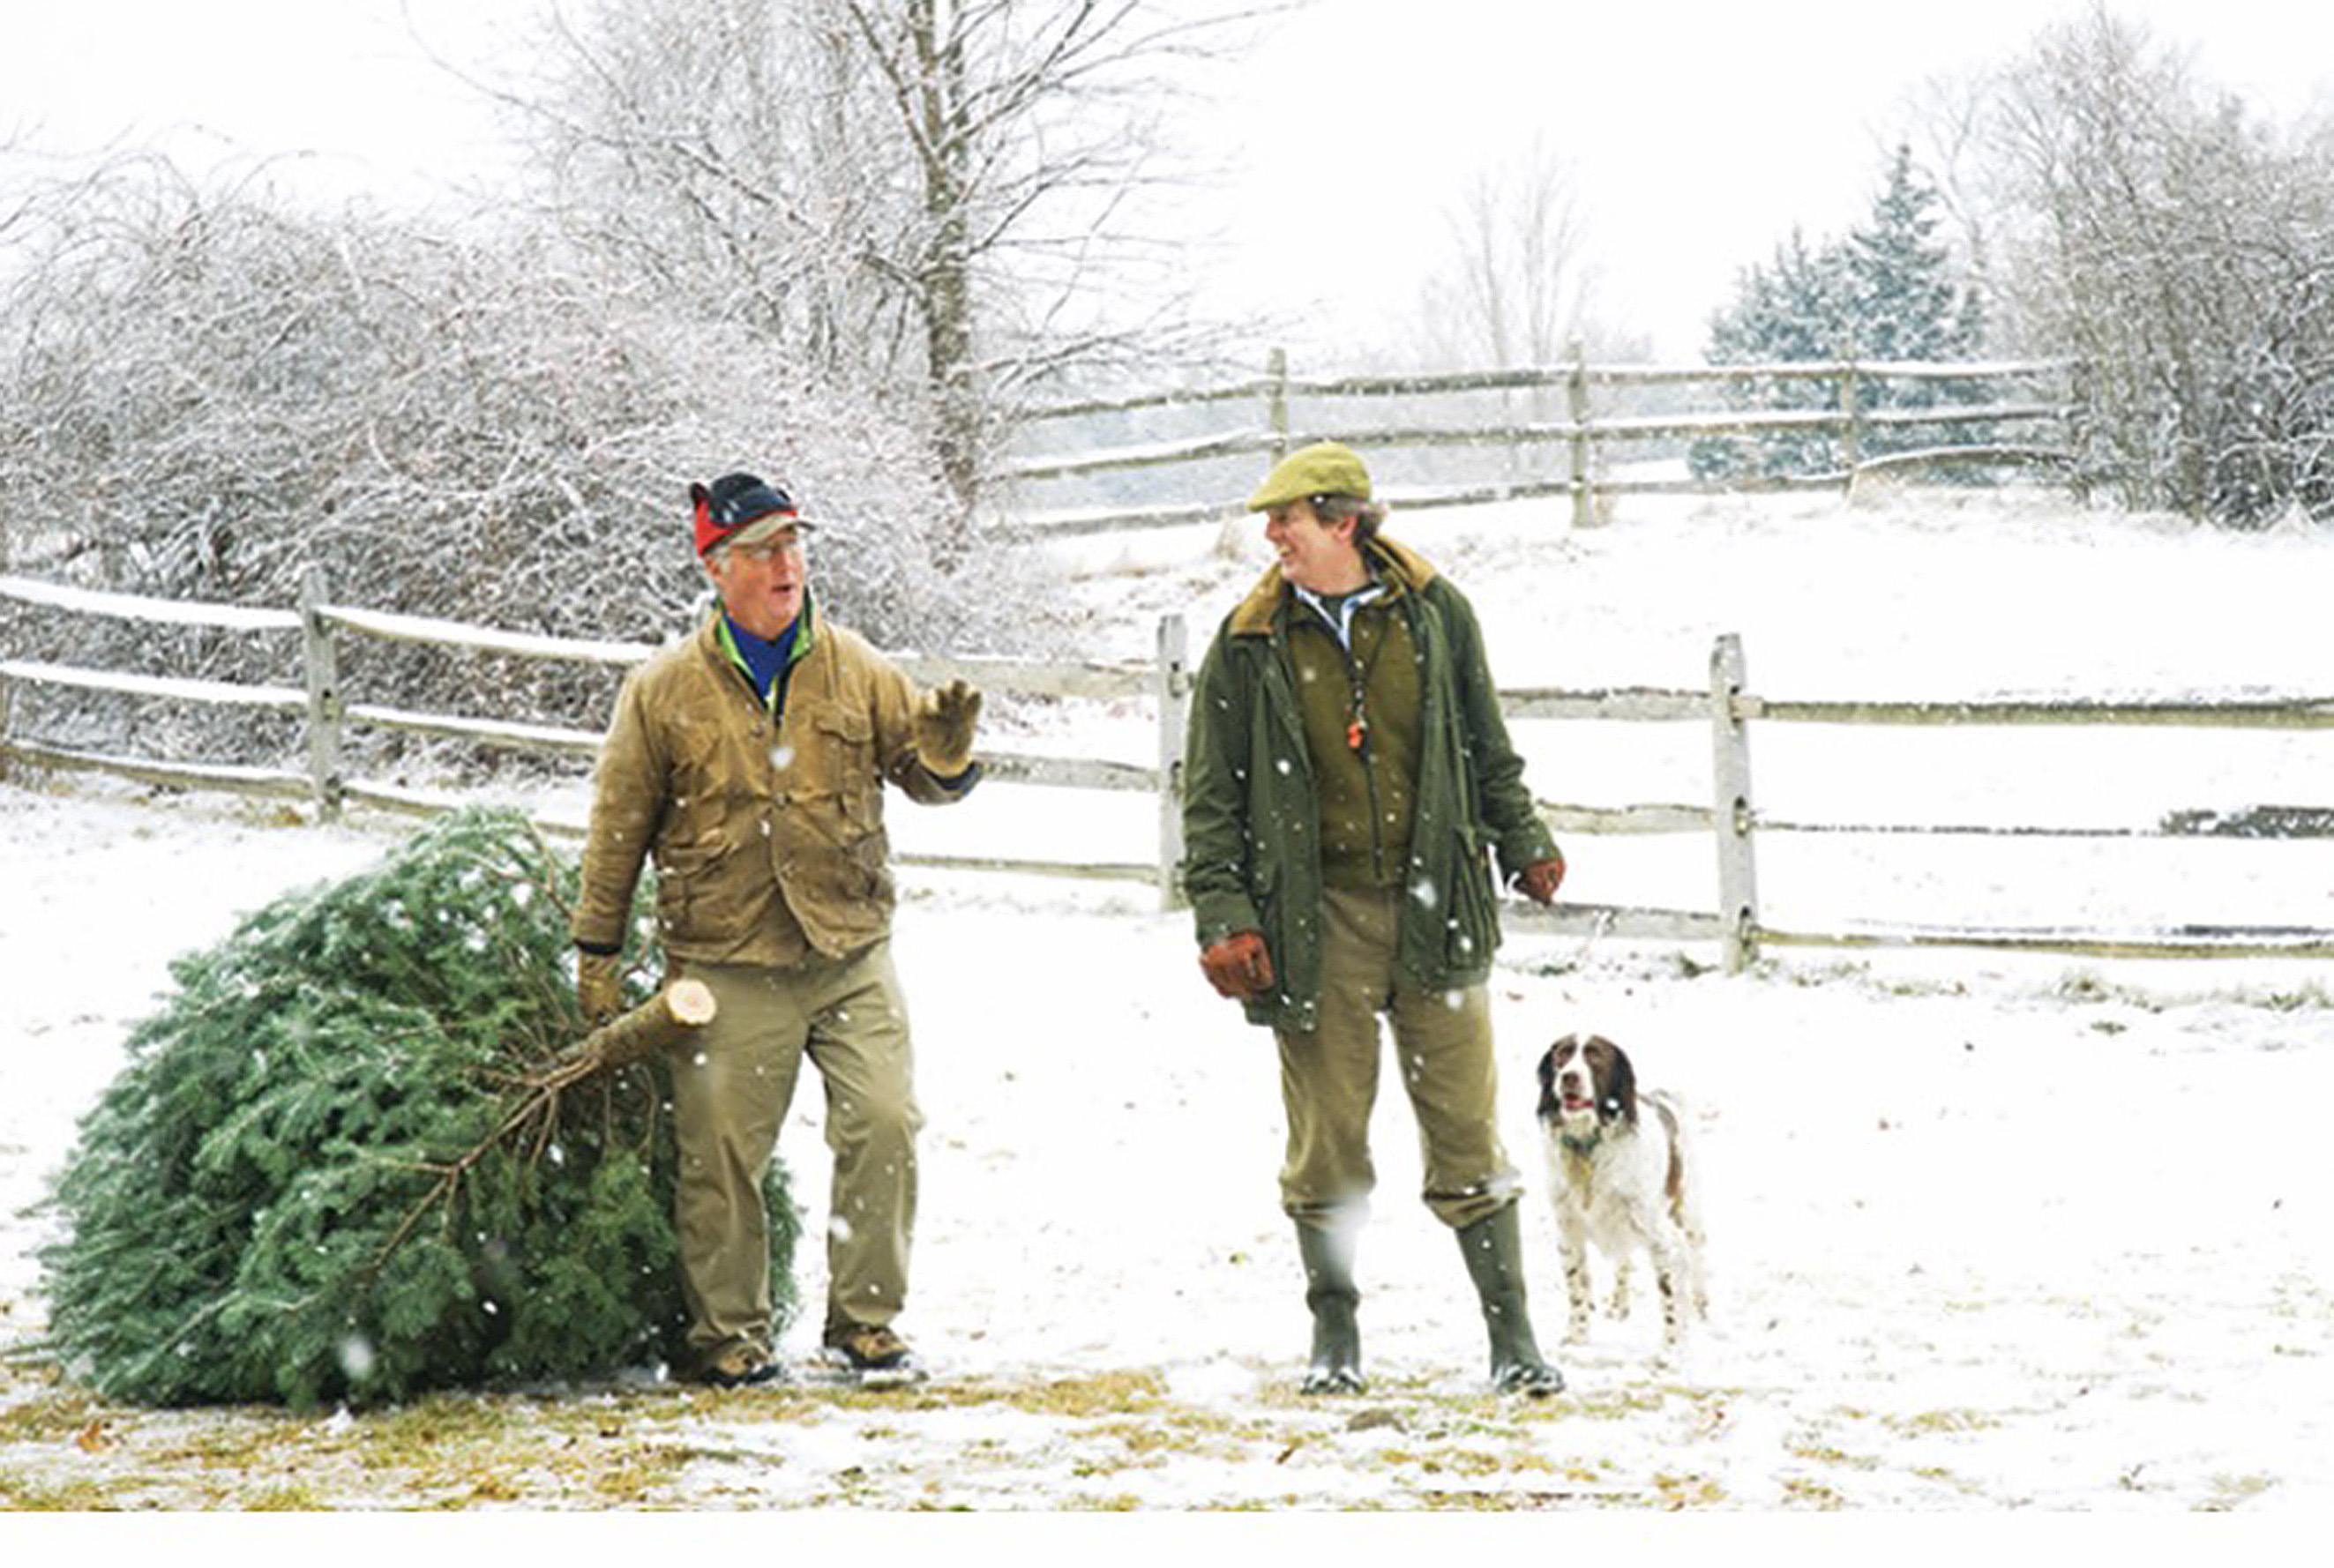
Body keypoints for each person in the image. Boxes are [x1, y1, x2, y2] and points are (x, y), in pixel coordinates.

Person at [572, 471, 982, 1388]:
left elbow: (921, 773)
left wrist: (949, 756)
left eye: (795, 544)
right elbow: (618, 825)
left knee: (884, 1121)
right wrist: (596, 953)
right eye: (762, 550)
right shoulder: (665, 690)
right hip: (727, 958)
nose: (787, 564)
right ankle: (727, 1337)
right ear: (717, 566)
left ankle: (867, 1324)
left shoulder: (857, 665)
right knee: (720, 1151)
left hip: (850, 950)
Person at [1179, 441, 1569, 1397]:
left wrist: (1525, 836)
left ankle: (1512, 1338)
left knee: (1468, 1130)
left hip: (1438, 907)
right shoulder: (1246, 641)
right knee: (1328, 1139)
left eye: (1290, 521)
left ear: (1343, 521)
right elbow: (1210, 800)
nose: (1272, 537)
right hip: (1314, 924)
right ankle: (1335, 1336)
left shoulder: (1438, 615)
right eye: (1272, 524)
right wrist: (1223, 912)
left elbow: (1487, 742)